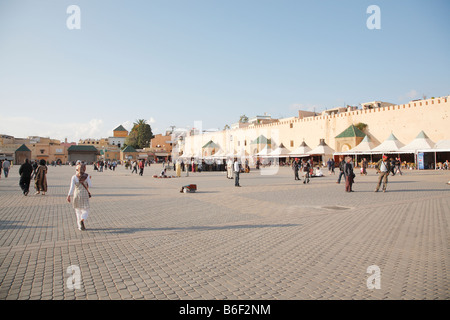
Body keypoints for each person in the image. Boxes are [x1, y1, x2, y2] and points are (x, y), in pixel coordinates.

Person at [67, 163, 92, 231]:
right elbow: (90, 185)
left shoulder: (74, 177)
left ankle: (79, 226)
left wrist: (69, 195)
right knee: (86, 209)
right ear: (84, 169)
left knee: (77, 211)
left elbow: (71, 187)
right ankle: (82, 219)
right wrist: (89, 179)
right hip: (84, 194)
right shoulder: (87, 176)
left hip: (76, 194)